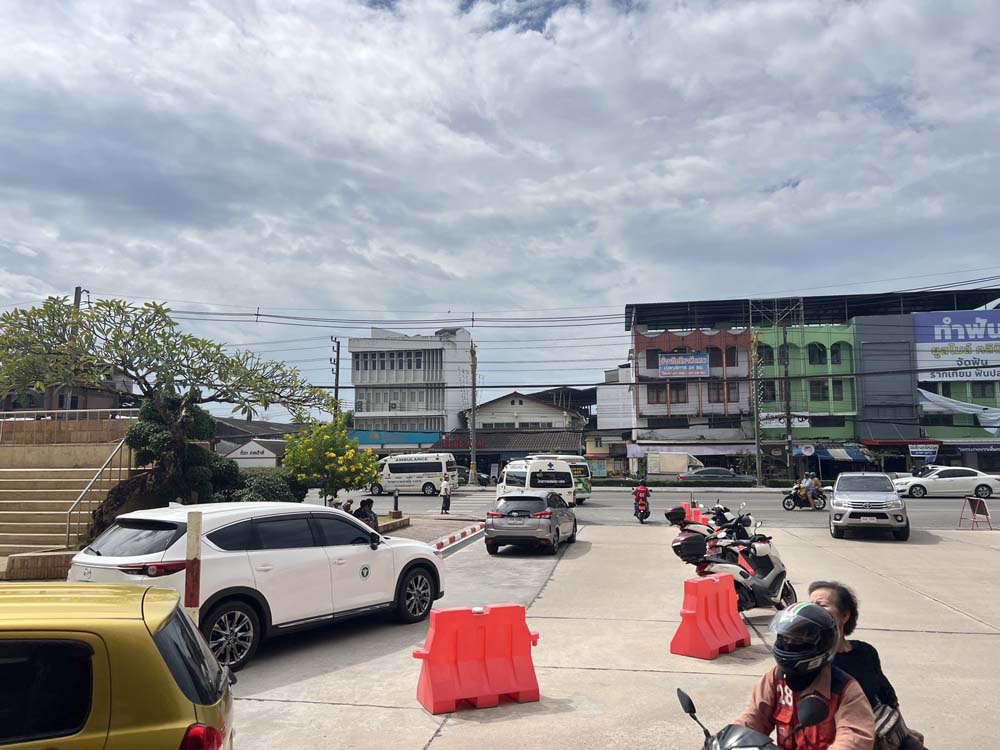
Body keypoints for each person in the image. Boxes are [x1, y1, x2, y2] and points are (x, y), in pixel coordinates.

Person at [734, 602, 875, 750]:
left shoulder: (844, 691)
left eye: (798, 640)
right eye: (785, 638)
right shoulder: (776, 678)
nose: (788, 645)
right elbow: (754, 717)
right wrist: (732, 739)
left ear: (822, 644)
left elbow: (853, 740)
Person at [809, 582, 927, 750]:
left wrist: (904, 731)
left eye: (821, 605)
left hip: (878, 735)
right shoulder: (808, 661)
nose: (813, 611)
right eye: (810, 605)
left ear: (844, 616)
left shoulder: (865, 652)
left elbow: (887, 696)